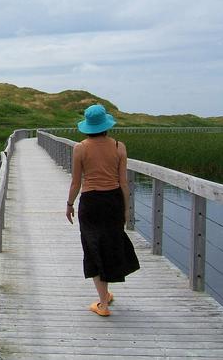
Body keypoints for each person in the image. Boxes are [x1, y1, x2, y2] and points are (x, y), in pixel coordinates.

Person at [65, 104, 140, 317]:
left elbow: (75, 183)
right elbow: (124, 183)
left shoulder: (80, 148)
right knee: (110, 245)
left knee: (92, 247)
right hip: (113, 201)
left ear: (87, 127)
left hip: (91, 202)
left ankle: (103, 304)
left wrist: (70, 204)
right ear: (106, 125)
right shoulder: (119, 146)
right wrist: (126, 210)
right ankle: (105, 296)